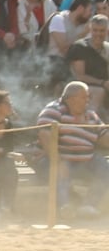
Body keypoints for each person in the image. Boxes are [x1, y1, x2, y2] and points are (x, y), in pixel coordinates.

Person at [37, 80, 109, 217]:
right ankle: (64, 207)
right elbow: (45, 136)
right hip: (60, 157)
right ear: (71, 98)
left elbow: (105, 138)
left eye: (88, 97)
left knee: (106, 169)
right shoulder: (54, 110)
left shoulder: (91, 115)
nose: (87, 100)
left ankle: (88, 205)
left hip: (87, 160)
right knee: (60, 170)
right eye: (84, 97)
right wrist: (58, 161)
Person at [65, 13, 109, 112]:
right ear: (90, 30)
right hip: (80, 86)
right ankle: (90, 123)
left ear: (107, 31)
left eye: (102, 31)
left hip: (104, 85)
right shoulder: (80, 47)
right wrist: (103, 83)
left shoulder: (107, 48)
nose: (98, 34)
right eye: (95, 30)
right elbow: (80, 76)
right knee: (99, 91)